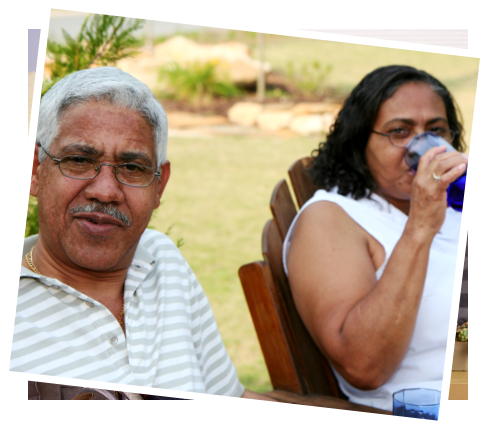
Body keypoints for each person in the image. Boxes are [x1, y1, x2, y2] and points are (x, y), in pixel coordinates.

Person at [12, 67, 272, 401]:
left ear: (159, 186)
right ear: (35, 171)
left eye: (132, 168)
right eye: (78, 160)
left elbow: (233, 398)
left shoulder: (160, 259)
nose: (105, 191)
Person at [283, 65, 468, 411]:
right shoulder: (330, 219)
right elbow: (364, 365)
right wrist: (419, 229)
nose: (424, 146)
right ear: (359, 141)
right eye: (399, 131)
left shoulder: (457, 199)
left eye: (436, 130)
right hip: (428, 403)